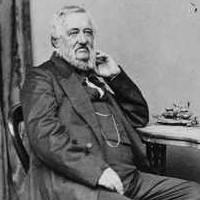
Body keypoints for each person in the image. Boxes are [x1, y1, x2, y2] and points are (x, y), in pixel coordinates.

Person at [20, 5, 200, 200]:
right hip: (80, 183)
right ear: (55, 41)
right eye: (73, 33)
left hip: (128, 179)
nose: (83, 39)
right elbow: (44, 135)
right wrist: (97, 173)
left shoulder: (95, 78)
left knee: (193, 193)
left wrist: (116, 77)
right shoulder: (42, 77)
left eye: (87, 32)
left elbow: (138, 117)